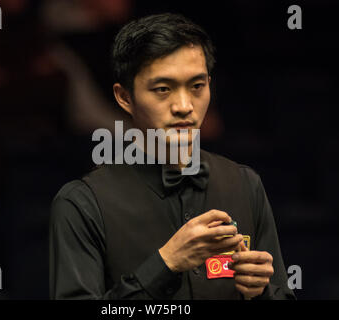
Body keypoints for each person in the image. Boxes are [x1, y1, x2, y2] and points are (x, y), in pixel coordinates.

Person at [49, 13, 295, 300]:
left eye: (197, 86)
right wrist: (165, 265)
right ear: (124, 97)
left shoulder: (245, 183)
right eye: (163, 89)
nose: (183, 106)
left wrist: (262, 293)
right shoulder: (80, 204)